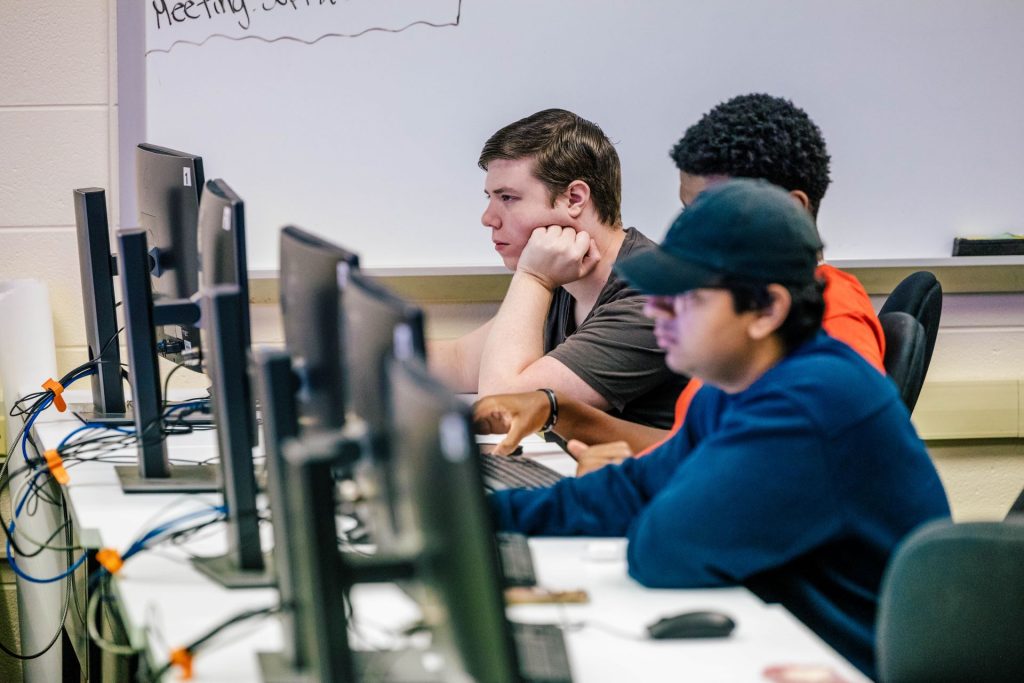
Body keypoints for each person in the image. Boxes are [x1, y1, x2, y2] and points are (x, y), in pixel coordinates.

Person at [487, 179, 951, 678]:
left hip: (848, 665)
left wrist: (659, 497)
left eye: (685, 297)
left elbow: (665, 549)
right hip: (783, 640)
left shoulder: (813, 400)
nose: (657, 310)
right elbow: (631, 489)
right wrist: (480, 514)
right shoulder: (730, 387)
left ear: (766, 310)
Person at [474, 94, 886, 471]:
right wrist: (559, 411)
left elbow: (782, 478)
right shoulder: (740, 320)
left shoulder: (834, 325)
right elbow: (692, 450)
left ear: (791, 212)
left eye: (708, 209)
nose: (685, 231)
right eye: (686, 209)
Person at [429, 108, 687, 428]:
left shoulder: (649, 299)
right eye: (490, 198)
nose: (488, 218)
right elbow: (458, 362)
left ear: (575, 198)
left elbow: (504, 406)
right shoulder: (563, 278)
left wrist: (533, 278)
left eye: (507, 198)